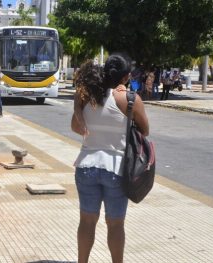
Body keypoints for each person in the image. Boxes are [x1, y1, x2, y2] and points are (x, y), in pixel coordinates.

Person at [71, 54, 149, 263]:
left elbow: (76, 126)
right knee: (115, 224)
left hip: (86, 164)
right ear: (125, 77)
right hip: (116, 168)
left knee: (87, 221)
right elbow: (145, 131)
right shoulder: (130, 99)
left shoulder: (87, 96)